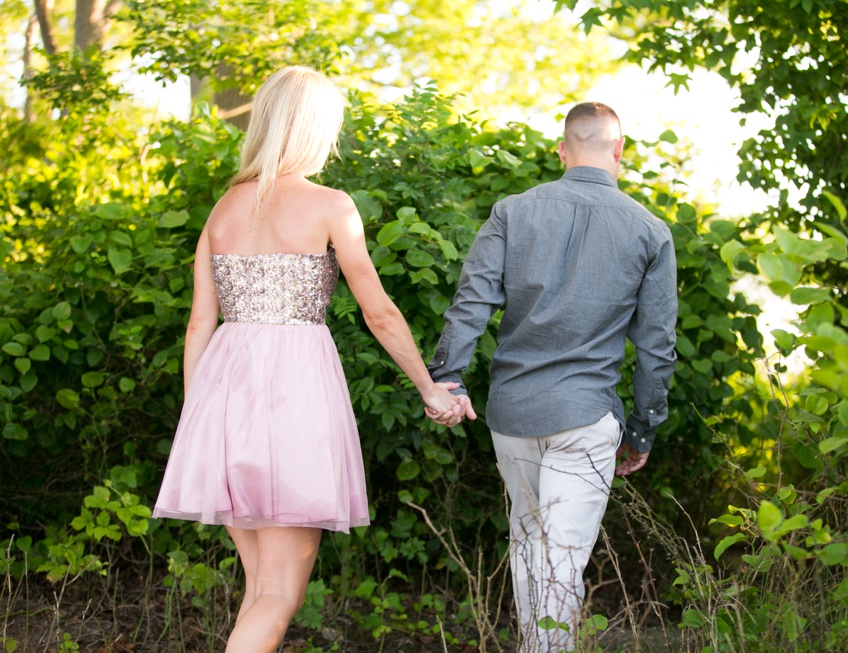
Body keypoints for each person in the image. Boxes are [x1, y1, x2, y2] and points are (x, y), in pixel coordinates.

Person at [152, 66, 466, 653]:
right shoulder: (330, 205)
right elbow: (379, 314)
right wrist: (429, 388)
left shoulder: (222, 210)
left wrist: (200, 420)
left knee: (259, 591)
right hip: (292, 402)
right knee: (278, 597)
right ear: (316, 128)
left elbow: (199, 322)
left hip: (223, 401)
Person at [426, 102, 678, 652]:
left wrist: (448, 378)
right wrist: (643, 430)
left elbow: (471, 303)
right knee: (560, 558)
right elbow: (657, 348)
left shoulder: (513, 212)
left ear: (562, 151)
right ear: (619, 151)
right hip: (586, 415)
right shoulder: (650, 230)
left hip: (512, 414)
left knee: (529, 543)